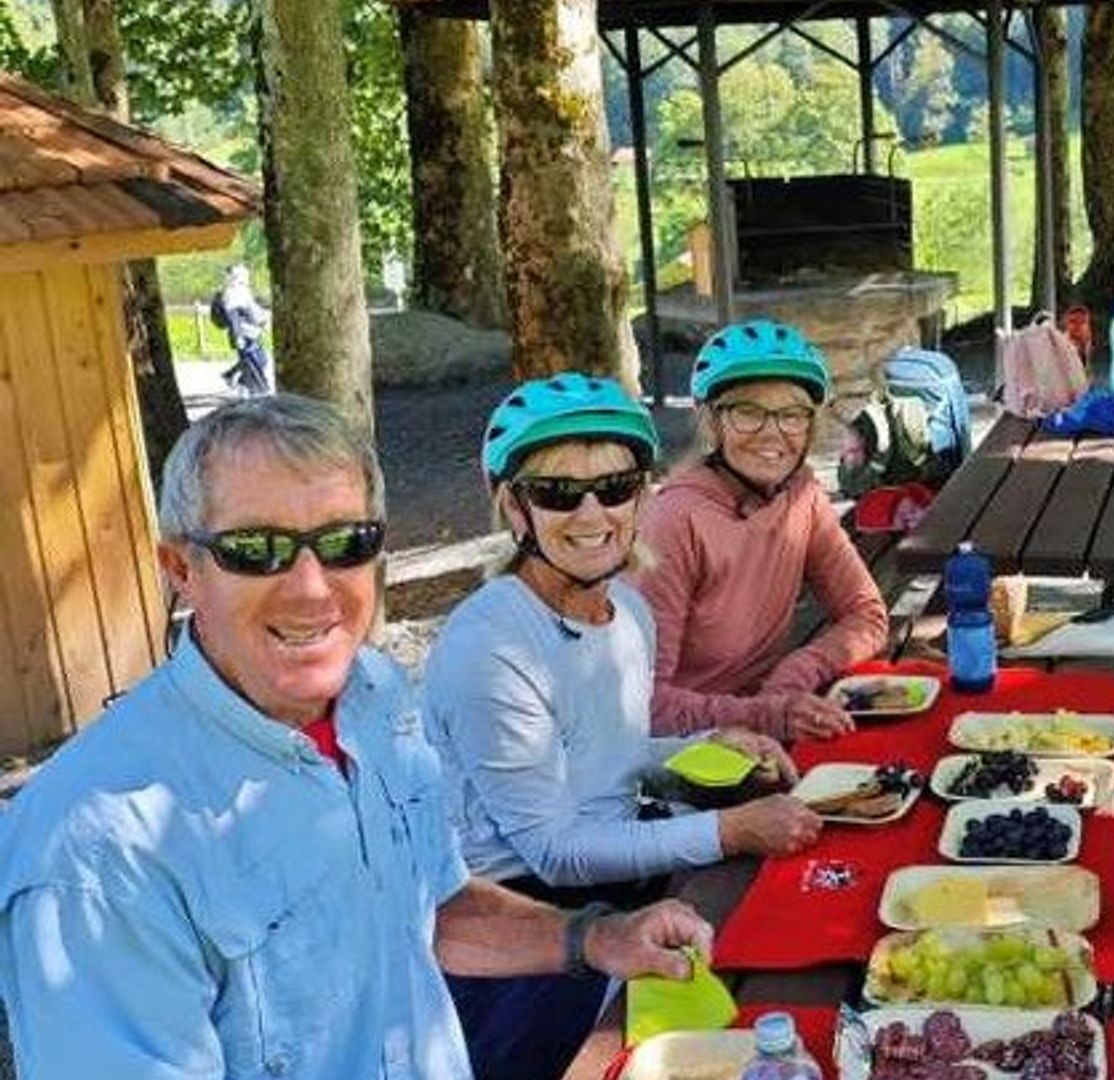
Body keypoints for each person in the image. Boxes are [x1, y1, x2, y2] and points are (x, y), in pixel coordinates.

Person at [0, 395, 712, 1078]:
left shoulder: (373, 694)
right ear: (182, 569)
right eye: (257, 549)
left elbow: (431, 910)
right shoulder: (96, 852)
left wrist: (594, 938)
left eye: (345, 542)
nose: (312, 589)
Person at [425, 373, 823, 1079]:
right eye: (556, 492)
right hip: (524, 932)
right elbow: (553, 850)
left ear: (642, 496)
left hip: (622, 889)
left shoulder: (627, 612)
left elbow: (606, 757)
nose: (590, 513)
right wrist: (730, 829)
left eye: (614, 487)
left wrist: (703, 749)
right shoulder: (493, 644)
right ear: (514, 509)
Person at [633, 319, 889, 740]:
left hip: (768, 720)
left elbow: (867, 614)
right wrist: (767, 714)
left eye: (792, 415)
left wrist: (790, 678)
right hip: (687, 750)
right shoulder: (674, 521)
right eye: (748, 412)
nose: (773, 433)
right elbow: (643, 705)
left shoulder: (801, 493)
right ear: (714, 422)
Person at [216, 263, 272, 396]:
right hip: (245, 334)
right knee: (253, 361)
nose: (247, 276)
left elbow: (252, 310)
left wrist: (262, 320)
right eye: (243, 274)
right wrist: (238, 337)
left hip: (252, 332)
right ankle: (260, 390)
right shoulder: (232, 292)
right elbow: (233, 317)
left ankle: (238, 381)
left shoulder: (242, 290)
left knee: (259, 359)